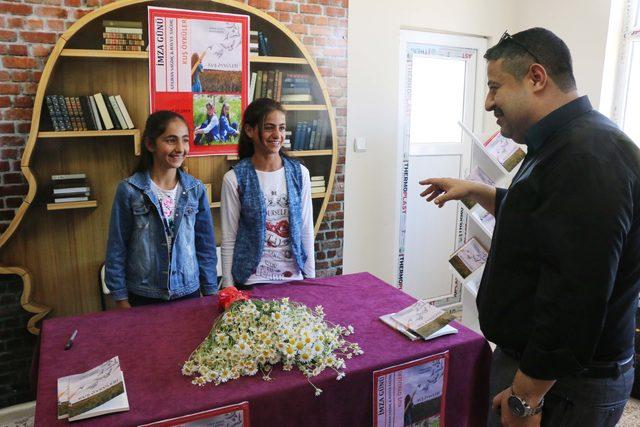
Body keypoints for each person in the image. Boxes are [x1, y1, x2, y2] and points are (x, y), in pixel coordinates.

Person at [420, 28, 640, 426]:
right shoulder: (562, 144)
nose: (488, 103)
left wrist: (527, 398)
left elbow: (576, 292)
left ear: (536, 78)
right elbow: (541, 221)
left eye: (494, 87)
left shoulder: (587, 157)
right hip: (540, 372)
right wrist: (478, 190)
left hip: (562, 387)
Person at [105, 110, 218, 307]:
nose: (180, 148)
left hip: (188, 291)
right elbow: (117, 247)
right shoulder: (130, 190)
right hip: (143, 294)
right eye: (171, 140)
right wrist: (121, 298)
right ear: (150, 144)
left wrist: (209, 291)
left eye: (185, 140)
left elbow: (205, 246)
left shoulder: (195, 190)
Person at [220, 98, 315, 288]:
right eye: (269, 127)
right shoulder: (234, 178)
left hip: (293, 277)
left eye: (281, 128)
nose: (277, 135)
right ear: (249, 131)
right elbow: (229, 236)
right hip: (251, 280)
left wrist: (310, 279)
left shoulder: (300, 173)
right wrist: (228, 286)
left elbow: (306, 228)